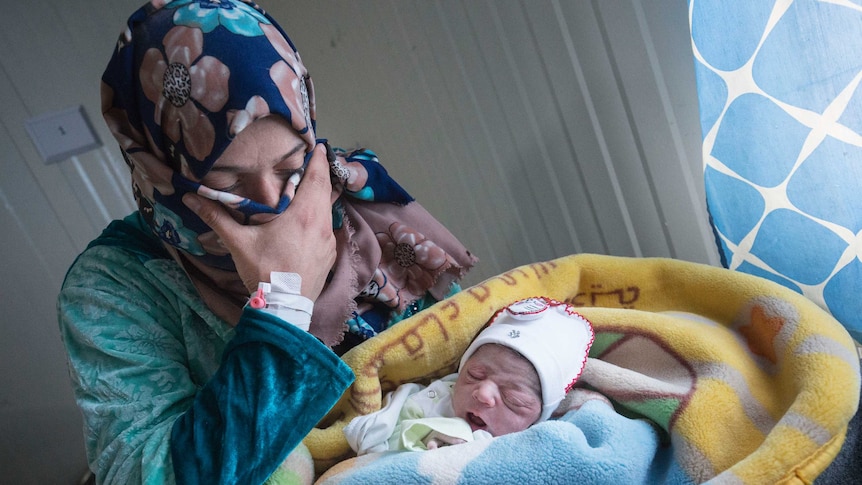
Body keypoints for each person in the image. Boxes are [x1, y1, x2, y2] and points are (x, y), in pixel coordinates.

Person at [56, 1, 475, 484]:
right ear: (160, 174)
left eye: (289, 166)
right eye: (228, 185)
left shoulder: (356, 197)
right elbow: (144, 474)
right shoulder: (112, 286)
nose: (274, 204)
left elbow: (464, 343)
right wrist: (282, 307)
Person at [344, 297, 595, 455]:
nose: (483, 393)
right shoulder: (434, 398)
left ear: (538, 417)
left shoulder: (528, 447)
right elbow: (371, 439)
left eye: (513, 399)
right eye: (474, 375)